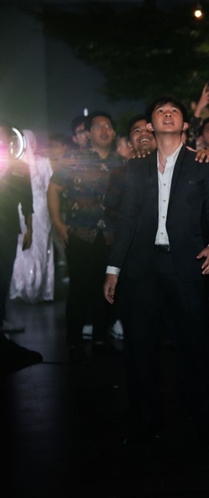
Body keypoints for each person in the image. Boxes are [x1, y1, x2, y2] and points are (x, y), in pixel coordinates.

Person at [103, 96, 209, 448]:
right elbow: (126, 220)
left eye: (174, 112)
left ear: (185, 124)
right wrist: (113, 268)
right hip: (142, 267)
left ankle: (202, 423)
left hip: (187, 264)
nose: (168, 115)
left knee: (193, 348)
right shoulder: (137, 168)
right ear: (150, 125)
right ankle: (146, 420)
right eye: (160, 111)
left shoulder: (202, 164)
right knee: (139, 348)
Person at [49, 111, 123, 361]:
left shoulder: (122, 163)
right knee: (79, 289)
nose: (104, 130)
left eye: (108, 126)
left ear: (114, 133)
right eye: (98, 127)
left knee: (107, 290)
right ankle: (74, 343)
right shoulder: (73, 158)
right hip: (80, 235)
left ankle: (101, 340)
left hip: (111, 236)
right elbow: (53, 188)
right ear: (88, 133)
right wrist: (58, 223)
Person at [10, 130, 55, 304]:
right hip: (26, 208)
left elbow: (49, 187)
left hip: (38, 209)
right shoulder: (17, 164)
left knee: (39, 246)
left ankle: (35, 287)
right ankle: (25, 286)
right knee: (25, 246)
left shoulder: (42, 162)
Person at [0, 122, 33, 333]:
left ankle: (1, 319)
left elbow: (28, 201)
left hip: (9, 229)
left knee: (4, 274)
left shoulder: (20, 167)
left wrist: (30, 229)